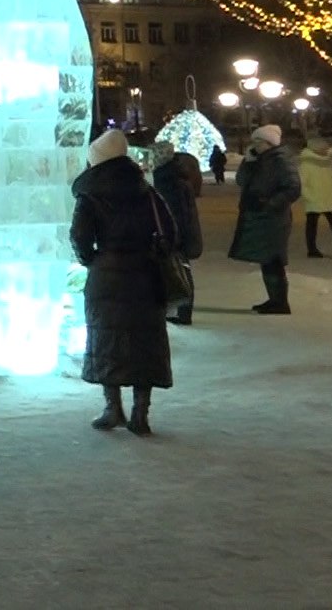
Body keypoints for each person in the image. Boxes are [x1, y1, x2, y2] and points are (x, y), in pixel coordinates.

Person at [72, 129, 175, 436]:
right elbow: (170, 233)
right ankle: (140, 414)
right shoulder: (147, 191)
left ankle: (111, 408)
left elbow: (80, 237)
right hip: (145, 274)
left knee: (108, 340)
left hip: (107, 275)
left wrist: (92, 260)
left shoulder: (90, 194)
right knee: (145, 341)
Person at [228, 124, 302, 315]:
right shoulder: (260, 160)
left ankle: (280, 302)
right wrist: (248, 161)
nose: (254, 145)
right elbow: (241, 180)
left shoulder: (280, 161)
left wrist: (270, 203)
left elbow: (293, 188)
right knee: (267, 259)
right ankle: (275, 300)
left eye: (257, 141)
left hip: (273, 218)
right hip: (261, 217)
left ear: (269, 143)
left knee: (272, 259)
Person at [150, 141, 204, 326]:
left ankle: (183, 311)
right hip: (181, 232)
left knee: (179, 270)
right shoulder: (175, 175)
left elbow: (175, 212)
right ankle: (182, 310)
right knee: (181, 269)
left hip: (177, 234)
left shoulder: (168, 180)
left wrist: (173, 236)